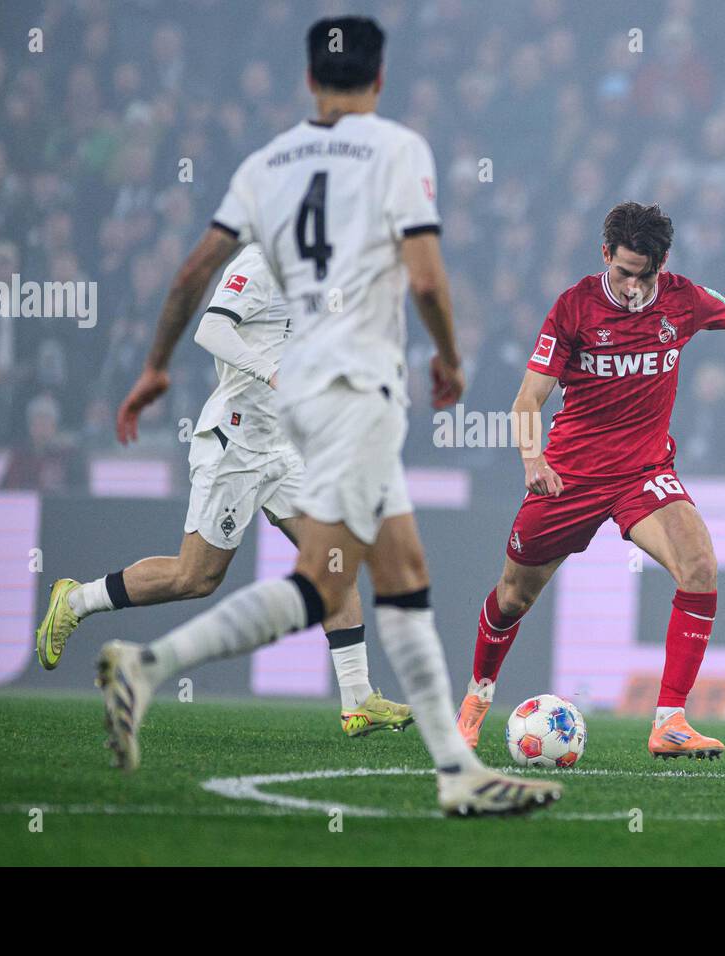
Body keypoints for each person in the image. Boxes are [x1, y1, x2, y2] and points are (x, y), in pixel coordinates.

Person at [108, 16, 561, 816]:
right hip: (359, 392)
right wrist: (451, 358)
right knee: (326, 582)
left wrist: (154, 365)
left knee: (401, 575)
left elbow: (191, 274)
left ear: (310, 82)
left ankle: (457, 773)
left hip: (303, 400)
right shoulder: (397, 150)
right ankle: (150, 665)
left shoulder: (266, 165)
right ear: (380, 80)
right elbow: (425, 281)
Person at [455, 201, 725, 759]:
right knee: (513, 597)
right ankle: (475, 704)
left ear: (661, 264)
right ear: (605, 255)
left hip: (643, 473)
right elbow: (528, 397)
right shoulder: (574, 307)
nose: (630, 287)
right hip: (568, 477)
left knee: (699, 566)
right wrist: (534, 459)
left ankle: (669, 721)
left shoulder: (682, 299)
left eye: (642, 275)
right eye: (622, 272)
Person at [35, 244, 411, 737]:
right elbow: (209, 329)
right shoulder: (260, 261)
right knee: (196, 577)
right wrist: (273, 372)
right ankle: (77, 600)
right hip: (234, 443)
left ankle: (358, 699)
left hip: (285, 448)